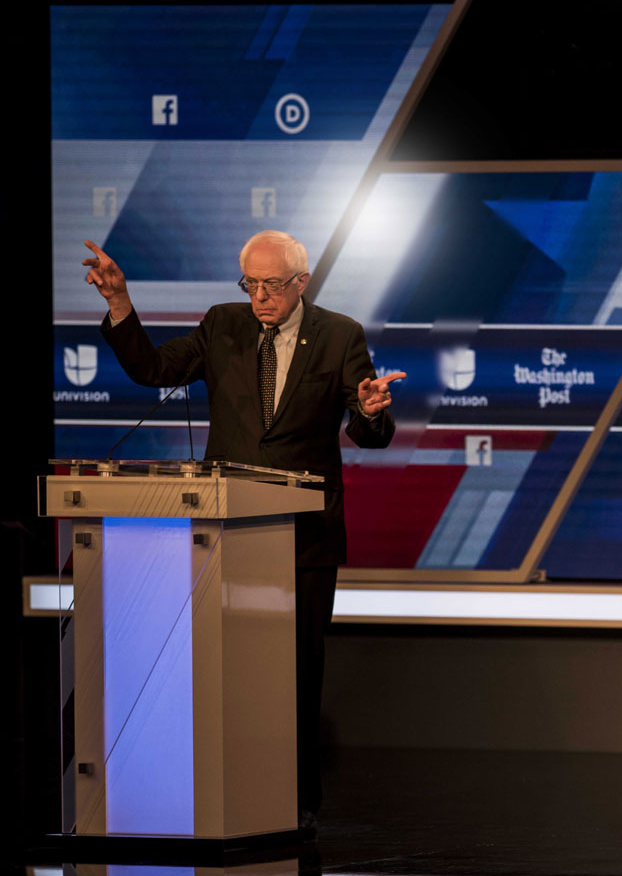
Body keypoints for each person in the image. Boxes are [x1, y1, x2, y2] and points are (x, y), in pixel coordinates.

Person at [82, 231, 406, 834]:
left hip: (303, 541)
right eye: (250, 284)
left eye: (272, 286)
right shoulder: (222, 326)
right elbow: (154, 368)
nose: (259, 296)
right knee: (224, 673)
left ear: (301, 284)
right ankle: (221, 796)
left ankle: (298, 806)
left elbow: (371, 435)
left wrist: (367, 409)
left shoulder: (340, 335)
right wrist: (120, 305)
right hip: (226, 534)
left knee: (297, 675)